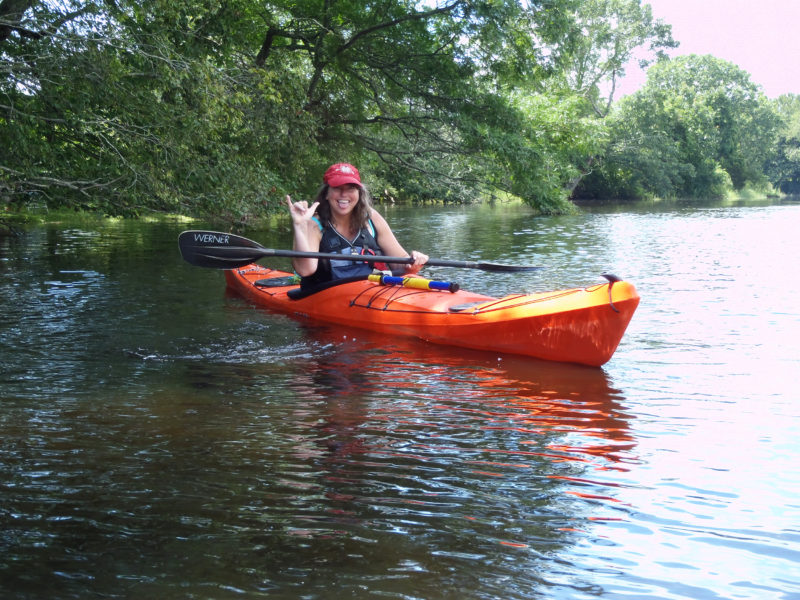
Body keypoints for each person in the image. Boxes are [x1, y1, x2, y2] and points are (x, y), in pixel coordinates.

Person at [285, 163, 428, 288]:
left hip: (365, 293)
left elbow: (399, 263)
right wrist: (299, 226)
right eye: (337, 188)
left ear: (359, 193)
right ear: (326, 194)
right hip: (323, 296)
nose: (344, 194)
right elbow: (305, 270)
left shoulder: (371, 218)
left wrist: (413, 262)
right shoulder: (313, 224)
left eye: (351, 188)